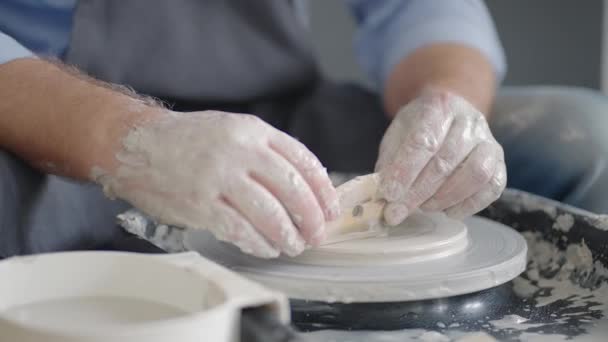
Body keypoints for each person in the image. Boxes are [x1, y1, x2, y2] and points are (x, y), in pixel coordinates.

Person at [0, 1, 606, 258]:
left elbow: (419, 9)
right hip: (56, 135)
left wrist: (444, 107)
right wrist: (131, 139)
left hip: (279, 121)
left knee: (576, 134)